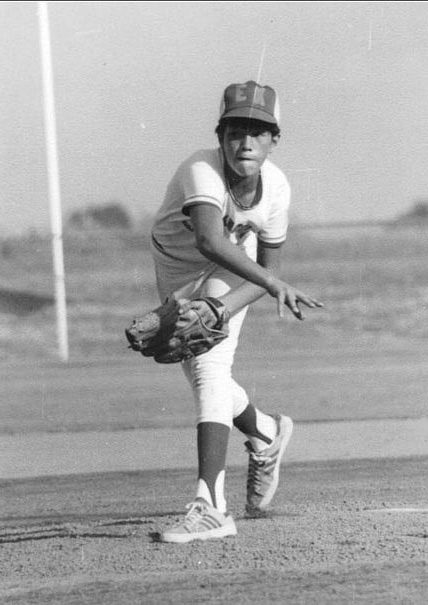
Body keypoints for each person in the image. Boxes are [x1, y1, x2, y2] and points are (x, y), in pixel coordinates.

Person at [149, 80, 323, 543]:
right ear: (220, 134)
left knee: (209, 368)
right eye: (235, 130)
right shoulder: (200, 169)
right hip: (179, 269)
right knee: (207, 377)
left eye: (258, 131)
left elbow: (265, 268)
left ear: (274, 139)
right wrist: (271, 284)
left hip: (235, 268)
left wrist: (223, 306)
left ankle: (210, 506)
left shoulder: (277, 188)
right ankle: (265, 432)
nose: (245, 141)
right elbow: (209, 240)